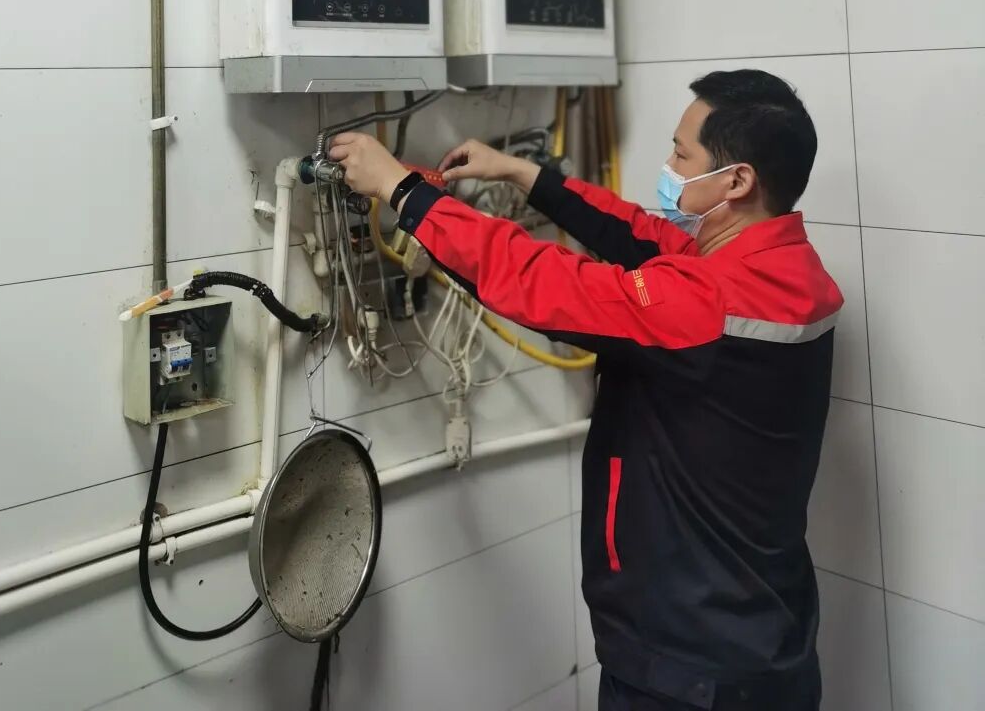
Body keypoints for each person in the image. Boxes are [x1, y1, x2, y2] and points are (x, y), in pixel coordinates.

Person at [329, 69, 841, 711]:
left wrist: (403, 192)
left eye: (682, 155)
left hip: (686, 664)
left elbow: (544, 282)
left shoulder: (710, 303)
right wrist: (523, 174)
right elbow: (640, 236)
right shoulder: (781, 269)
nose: (668, 167)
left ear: (736, 181)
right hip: (760, 635)